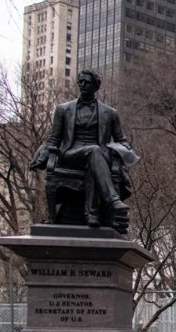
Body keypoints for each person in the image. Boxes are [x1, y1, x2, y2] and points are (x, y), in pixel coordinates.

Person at [31, 69, 135, 227]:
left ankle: (91, 215)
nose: (83, 85)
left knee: (94, 158)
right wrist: (44, 155)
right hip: (71, 155)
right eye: (80, 82)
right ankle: (112, 200)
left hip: (97, 157)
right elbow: (54, 138)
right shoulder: (63, 109)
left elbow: (123, 141)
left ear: (96, 86)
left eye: (87, 82)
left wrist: (119, 151)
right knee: (94, 151)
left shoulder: (110, 113)